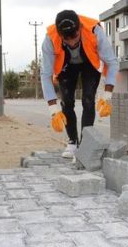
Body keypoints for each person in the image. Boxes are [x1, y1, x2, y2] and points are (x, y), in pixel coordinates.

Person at [41, 10, 118, 158]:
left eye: (74, 36)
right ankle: (72, 142)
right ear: (59, 34)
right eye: (66, 39)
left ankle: (85, 143)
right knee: (67, 101)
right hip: (66, 65)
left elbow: (112, 63)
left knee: (88, 100)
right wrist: (53, 109)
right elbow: (45, 75)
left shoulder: (94, 30)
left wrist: (107, 95)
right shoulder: (50, 38)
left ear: (80, 29)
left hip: (89, 63)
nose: (72, 42)